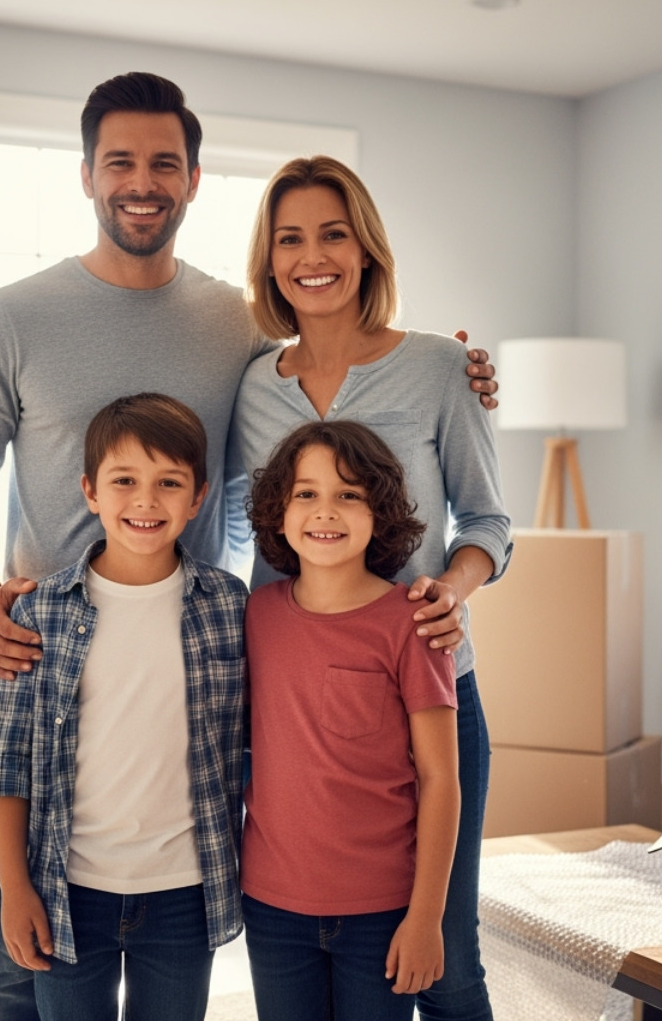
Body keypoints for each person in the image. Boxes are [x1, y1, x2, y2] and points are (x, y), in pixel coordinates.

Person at [0, 73, 495, 1021]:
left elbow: (353, 357)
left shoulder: (239, 322)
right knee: (18, 953)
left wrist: (461, 369)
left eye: (164, 164)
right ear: (86, 176)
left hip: (278, 659)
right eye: (120, 162)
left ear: (193, 181)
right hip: (59, 662)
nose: (141, 183)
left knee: (418, 943)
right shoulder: (16, 316)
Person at [227, 154, 511, 1021]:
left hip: (426, 684)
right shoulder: (251, 387)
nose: (312, 255)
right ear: (269, 260)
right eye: (290, 238)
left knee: (445, 960)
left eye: (333, 233)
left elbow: (489, 524)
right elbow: (245, 530)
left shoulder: (438, 367)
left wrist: (452, 592)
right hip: (300, 709)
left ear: (367, 249)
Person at [0, 393, 247, 1021]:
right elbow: (7, 761)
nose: (146, 501)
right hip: (67, 889)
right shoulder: (39, 611)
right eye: (124, 480)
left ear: (199, 497)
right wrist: (14, 889)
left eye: (169, 483)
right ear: (90, 491)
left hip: (185, 890)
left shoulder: (230, 608)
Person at [240, 420, 461, 1020]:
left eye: (349, 494)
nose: (325, 511)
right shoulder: (255, 614)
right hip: (271, 905)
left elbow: (440, 780)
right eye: (305, 493)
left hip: (383, 910)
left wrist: (426, 917)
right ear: (278, 512)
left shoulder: (412, 624)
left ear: (379, 512)